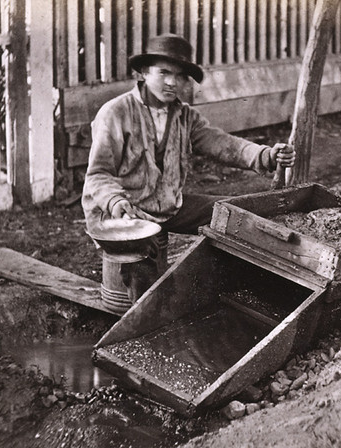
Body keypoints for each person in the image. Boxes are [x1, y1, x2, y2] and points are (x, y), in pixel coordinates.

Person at [82, 33, 295, 303]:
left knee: (235, 215)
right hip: (125, 213)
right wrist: (116, 202)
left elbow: (223, 144)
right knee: (144, 275)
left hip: (168, 204)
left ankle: (226, 296)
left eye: (180, 76)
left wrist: (265, 155)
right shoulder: (116, 113)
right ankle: (142, 321)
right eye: (164, 72)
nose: (172, 82)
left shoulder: (185, 117)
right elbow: (98, 175)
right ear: (145, 72)